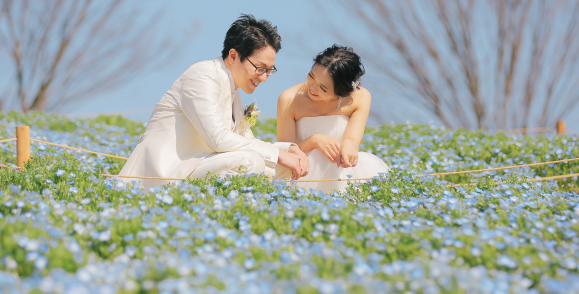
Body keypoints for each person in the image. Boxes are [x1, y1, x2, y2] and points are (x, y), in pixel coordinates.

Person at [118, 15, 309, 188]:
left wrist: (288, 149)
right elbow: (219, 139)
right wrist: (278, 154)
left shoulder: (235, 94)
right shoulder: (202, 75)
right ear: (233, 56)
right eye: (260, 68)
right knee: (251, 161)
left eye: (269, 70)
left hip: (198, 167)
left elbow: (247, 141)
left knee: (282, 166)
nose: (265, 78)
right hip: (167, 172)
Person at [276, 45, 389, 193]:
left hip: (342, 171)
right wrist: (314, 141)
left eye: (323, 88)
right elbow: (285, 151)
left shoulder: (360, 97)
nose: (312, 87)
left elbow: (352, 141)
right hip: (303, 171)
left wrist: (349, 146)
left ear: (342, 92)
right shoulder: (289, 99)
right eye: (311, 76)